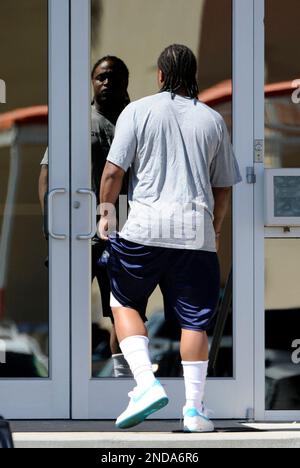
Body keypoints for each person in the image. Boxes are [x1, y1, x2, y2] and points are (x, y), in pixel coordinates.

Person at [99, 44, 242, 431]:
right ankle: (194, 410)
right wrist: (213, 229)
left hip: (145, 228)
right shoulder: (213, 120)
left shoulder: (138, 111)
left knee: (123, 300)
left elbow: (113, 173)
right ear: (193, 76)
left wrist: (106, 213)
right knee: (194, 323)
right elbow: (223, 188)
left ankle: (145, 382)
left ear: (160, 75)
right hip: (195, 233)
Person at [38, 56, 132, 377]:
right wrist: (52, 225)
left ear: (125, 84)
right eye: (100, 77)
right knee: (70, 309)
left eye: (114, 78)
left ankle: (122, 377)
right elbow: (48, 176)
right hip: (80, 235)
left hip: (124, 234)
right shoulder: (77, 123)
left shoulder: (134, 123)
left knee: (124, 310)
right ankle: (65, 378)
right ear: (92, 82)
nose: (106, 83)